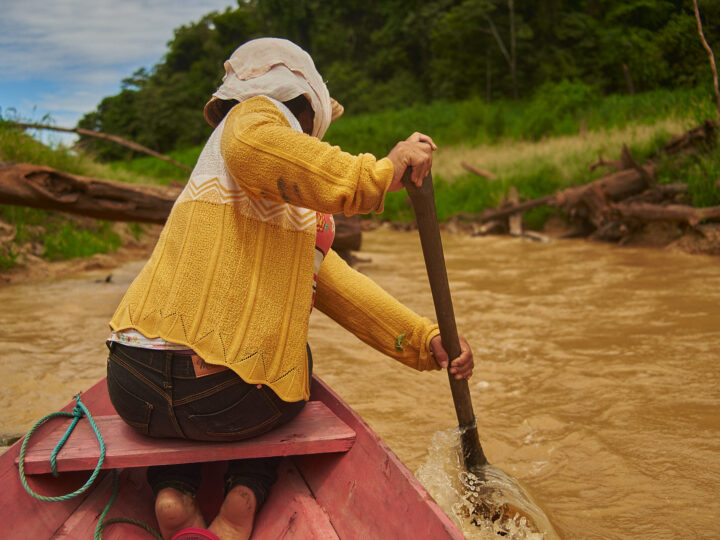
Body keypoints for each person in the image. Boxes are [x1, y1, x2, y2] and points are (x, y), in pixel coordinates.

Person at [106, 37, 474, 540]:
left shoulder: (234, 180)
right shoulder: (254, 121)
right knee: (291, 364)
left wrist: (425, 339)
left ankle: (172, 488)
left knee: (186, 398)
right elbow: (272, 151)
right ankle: (246, 494)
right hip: (222, 399)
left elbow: (343, 289)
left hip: (130, 384)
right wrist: (380, 173)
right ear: (301, 104)